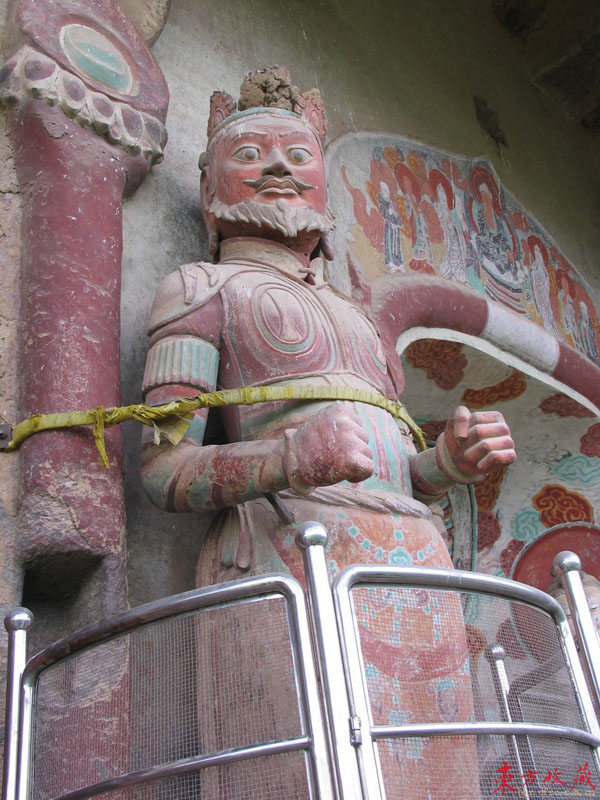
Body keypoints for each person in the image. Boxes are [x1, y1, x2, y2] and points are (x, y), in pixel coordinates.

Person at [141, 66, 516, 798]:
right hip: (288, 556)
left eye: (297, 154)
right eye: (248, 155)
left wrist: (443, 462)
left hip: (415, 569)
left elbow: (395, 472)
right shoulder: (202, 289)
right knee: (305, 771)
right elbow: (164, 469)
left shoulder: (361, 320)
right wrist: (285, 456)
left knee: (438, 771)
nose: (278, 165)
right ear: (211, 193)